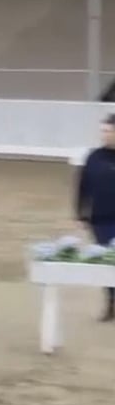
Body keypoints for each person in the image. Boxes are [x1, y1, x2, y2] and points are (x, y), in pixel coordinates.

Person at [75, 113, 115, 321]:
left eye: (109, 131)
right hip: (100, 220)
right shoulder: (94, 157)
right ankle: (111, 303)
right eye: (103, 131)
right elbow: (83, 186)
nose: (105, 135)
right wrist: (80, 213)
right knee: (106, 263)